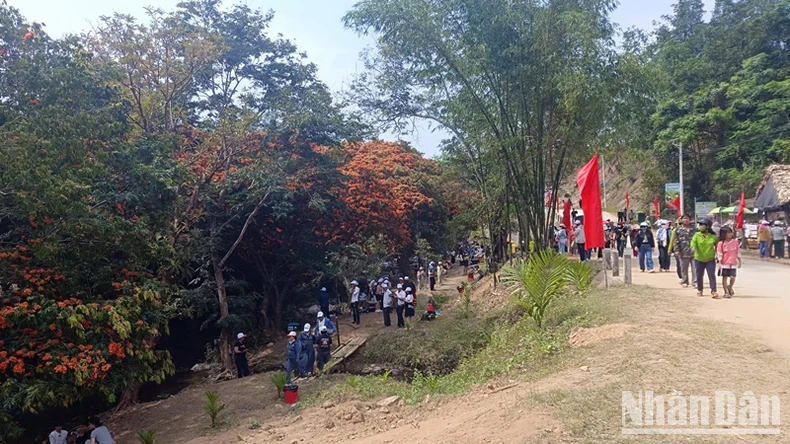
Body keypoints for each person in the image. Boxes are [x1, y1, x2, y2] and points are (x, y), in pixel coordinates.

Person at [691, 218, 719, 298]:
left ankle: (713, 291)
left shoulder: (713, 237)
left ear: (708, 226)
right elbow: (693, 243)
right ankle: (700, 290)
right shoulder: (697, 235)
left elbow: (717, 247)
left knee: (711, 275)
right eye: (700, 225)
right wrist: (693, 248)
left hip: (710, 259)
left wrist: (718, 256)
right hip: (699, 259)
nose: (700, 227)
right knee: (699, 275)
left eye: (702, 225)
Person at [669, 214, 697, 288]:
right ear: (681, 220)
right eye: (684, 218)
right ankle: (685, 281)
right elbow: (676, 241)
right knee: (684, 268)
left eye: (687, 218)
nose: (686, 220)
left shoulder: (695, 230)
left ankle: (695, 282)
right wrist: (676, 250)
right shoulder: (678, 230)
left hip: (694, 252)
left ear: (690, 220)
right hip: (683, 252)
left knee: (695, 268)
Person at [717, 227, 742, 298]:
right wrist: (720, 263)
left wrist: (739, 261)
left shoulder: (735, 242)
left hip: (733, 263)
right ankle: (726, 292)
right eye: (728, 233)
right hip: (724, 263)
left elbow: (738, 252)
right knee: (724, 278)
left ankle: (730, 286)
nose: (730, 234)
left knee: (733, 277)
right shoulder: (721, 243)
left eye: (731, 232)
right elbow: (719, 253)